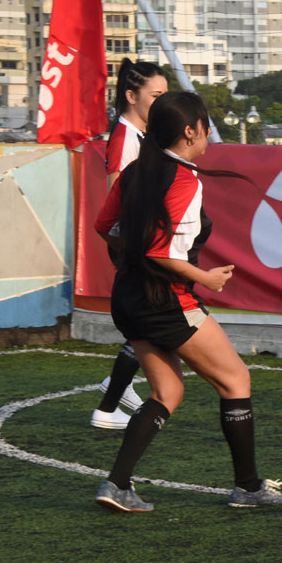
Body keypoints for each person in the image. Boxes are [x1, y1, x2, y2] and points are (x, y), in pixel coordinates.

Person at [92, 91, 282, 512]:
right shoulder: (185, 180)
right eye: (205, 125)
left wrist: (133, 257)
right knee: (235, 380)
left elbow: (104, 227)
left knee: (167, 391)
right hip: (166, 301)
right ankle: (248, 488)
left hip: (127, 299)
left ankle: (116, 485)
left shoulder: (133, 172)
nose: (209, 134)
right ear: (190, 131)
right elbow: (159, 253)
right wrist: (205, 277)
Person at [91, 59, 169, 431]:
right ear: (130, 96)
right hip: (134, 245)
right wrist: (135, 250)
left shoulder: (141, 135)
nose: (163, 103)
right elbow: (115, 202)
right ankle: (109, 404)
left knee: (149, 325)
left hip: (140, 244)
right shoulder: (125, 139)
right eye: (157, 96)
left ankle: (112, 396)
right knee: (153, 323)